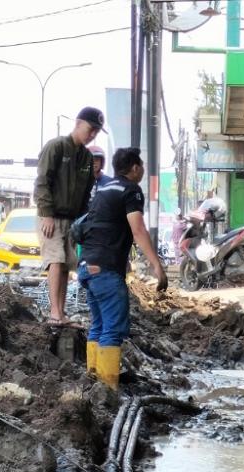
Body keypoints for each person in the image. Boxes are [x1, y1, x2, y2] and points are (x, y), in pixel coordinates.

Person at [78, 147, 168, 391]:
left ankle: (93, 385)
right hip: (106, 269)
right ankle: (108, 390)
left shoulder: (104, 189)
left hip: (87, 266)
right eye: (142, 166)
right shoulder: (130, 190)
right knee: (113, 330)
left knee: (98, 325)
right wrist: (157, 266)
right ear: (136, 168)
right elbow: (138, 230)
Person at [35, 106, 104, 325]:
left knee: (66, 264)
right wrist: (46, 214)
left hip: (71, 220)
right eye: (90, 129)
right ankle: (55, 313)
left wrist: (83, 222)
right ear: (78, 123)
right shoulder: (56, 147)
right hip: (51, 217)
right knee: (55, 260)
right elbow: (42, 182)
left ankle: (61, 312)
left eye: (96, 131)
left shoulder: (85, 157)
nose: (92, 134)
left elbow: (85, 194)